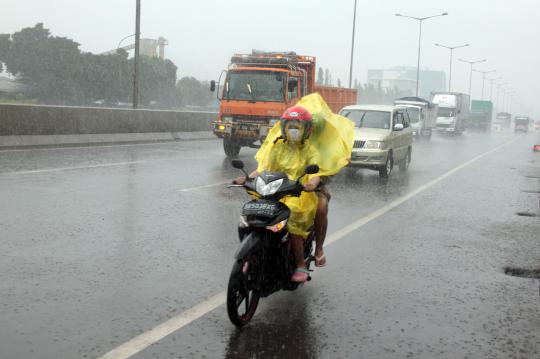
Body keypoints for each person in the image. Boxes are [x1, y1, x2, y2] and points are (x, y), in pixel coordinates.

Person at [234, 105, 321, 283]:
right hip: (273, 192)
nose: (293, 130)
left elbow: (315, 176)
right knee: (251, 215)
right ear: (283, 127)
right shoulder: (277, 148)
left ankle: (299, 264)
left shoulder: (311, 151)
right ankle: (251, 255)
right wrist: (246, 179)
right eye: (290, 125)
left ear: (306, 129)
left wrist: (311, 184)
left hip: (298, 195)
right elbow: (262, 169)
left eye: (297, 126)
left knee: (293, 221)